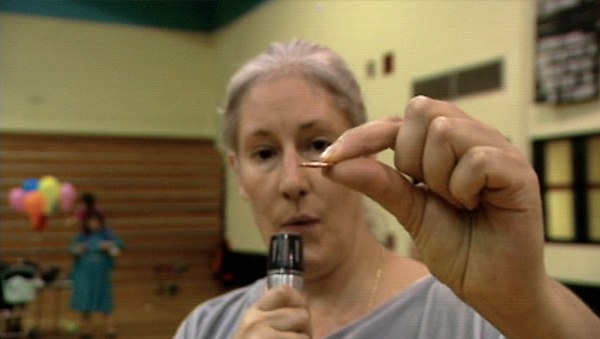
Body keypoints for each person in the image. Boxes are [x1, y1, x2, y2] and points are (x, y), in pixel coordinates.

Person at [175, 40, 600, 338]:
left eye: (318, 144)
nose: (292, 182)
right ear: (238, 175)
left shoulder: (472, 313)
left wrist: (525, 302)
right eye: (264, 153)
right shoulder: (207, 327)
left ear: (364, 149)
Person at [70, 210, 124, 339]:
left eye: (96, 222)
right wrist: (79, 249)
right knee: (85, 299)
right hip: (85, 273)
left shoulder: (107, 235)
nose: (93, 224)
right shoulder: (82, 236)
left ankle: (109, 327)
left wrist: (110, 245)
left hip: (101, 274)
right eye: (91, 222)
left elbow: (120, 245)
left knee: (104, 299)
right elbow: (72, 249)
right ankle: (86, 328)